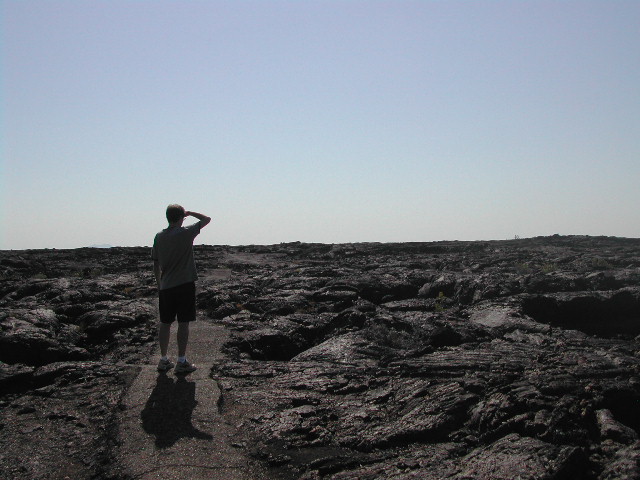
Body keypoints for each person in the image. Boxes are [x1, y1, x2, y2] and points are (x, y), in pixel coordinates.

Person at [151, 204, 211, 374]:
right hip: (184, 284)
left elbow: (155, 262)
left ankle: (163, 360)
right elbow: (207, 219)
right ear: (181, 217)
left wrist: (159, 284)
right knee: (183, 323)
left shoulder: (159, 236)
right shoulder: (186, 233)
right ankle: (181, 360)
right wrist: (190, 213)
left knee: (165, 322)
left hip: (166, 286)